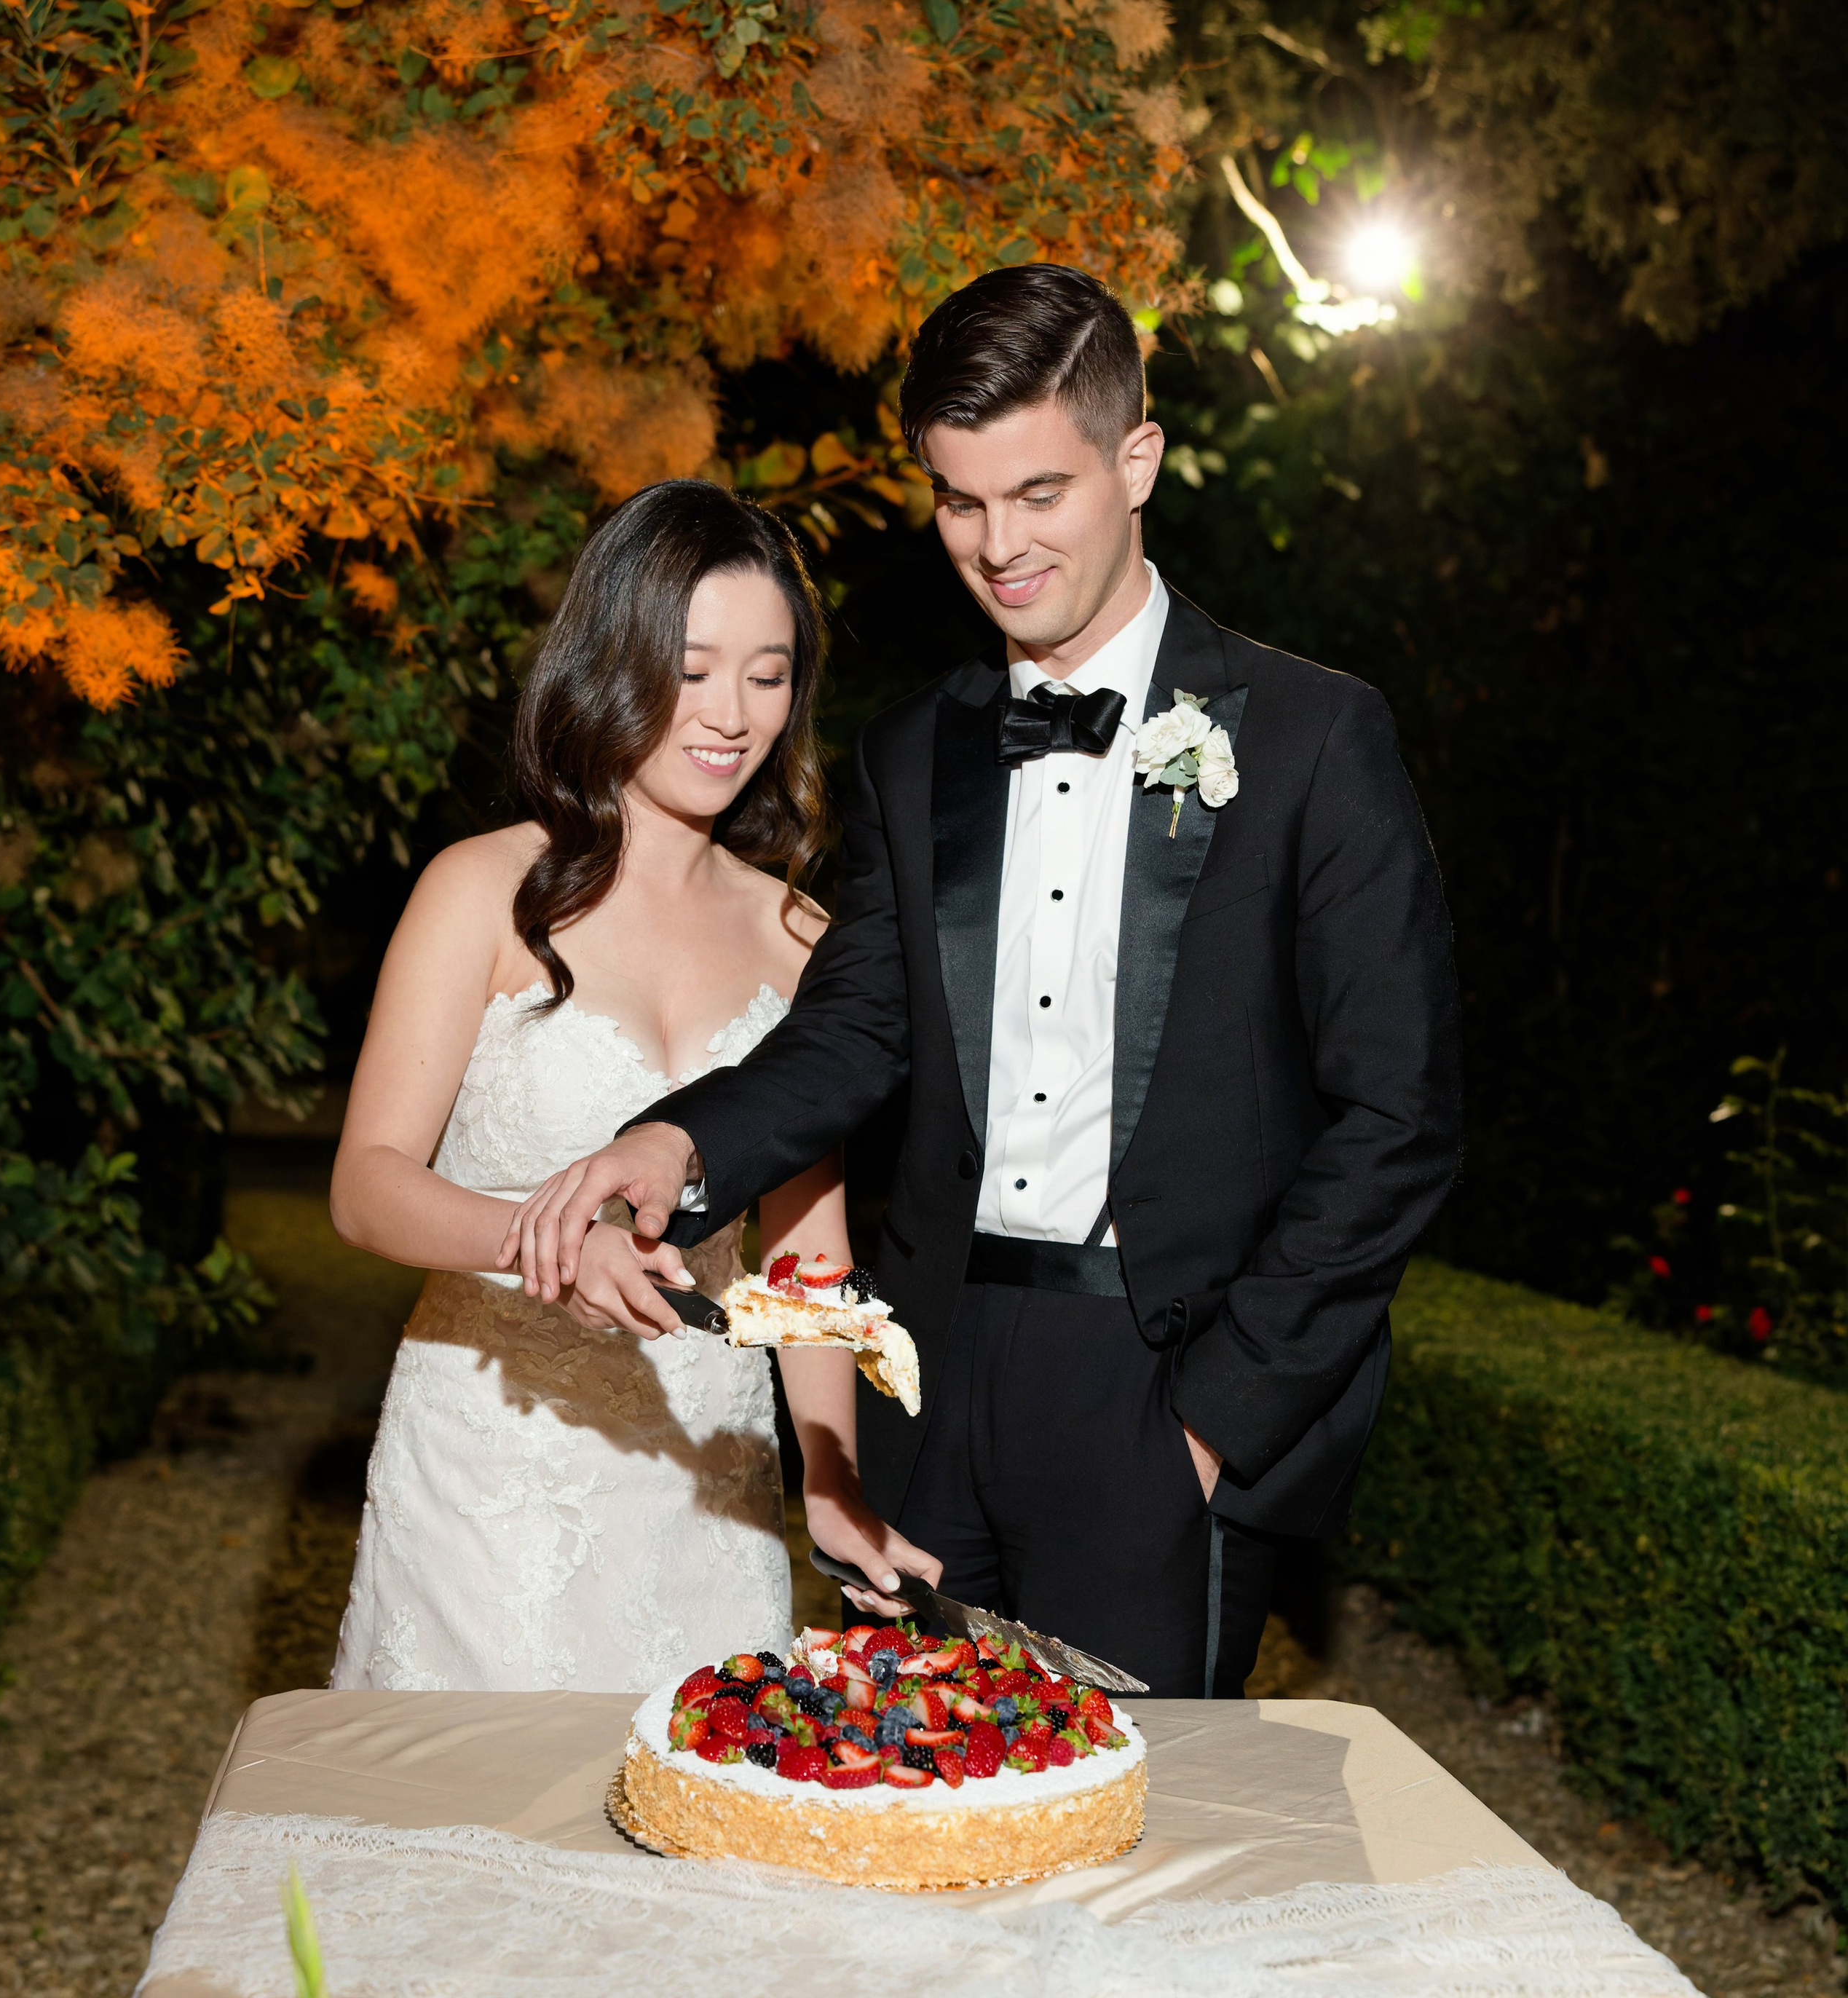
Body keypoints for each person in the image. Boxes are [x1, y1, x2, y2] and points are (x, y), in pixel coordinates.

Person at [505, 266, 1464, 1696]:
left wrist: (1211, 1422)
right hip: (930, 1381)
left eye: (1036, 495)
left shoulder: (1316, 738)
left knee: (1121, 1849)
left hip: (1159, 1385)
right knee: (905, 1814)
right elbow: (854, 1032)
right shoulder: (916, 752)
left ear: (1132, 461)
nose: (995, 547)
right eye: (958, 502)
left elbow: (1397, 1114)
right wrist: (678, 1141)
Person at [328, 479, 936, 1693]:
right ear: (617, 657)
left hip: (709, 1483)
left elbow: (805, 1253)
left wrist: (830, 1478)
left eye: (768, 675)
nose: (731, 715)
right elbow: (367, 1188)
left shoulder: (803, 936)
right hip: (491, 1475)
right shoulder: (485, 890)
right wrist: (540, 1236)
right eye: (694, 668)